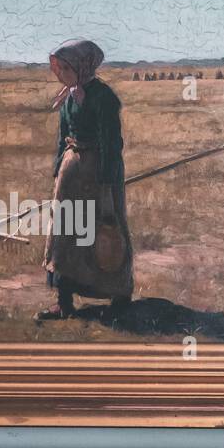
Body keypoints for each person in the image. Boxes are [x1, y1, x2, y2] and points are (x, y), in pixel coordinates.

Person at [37, 39, 134, 320]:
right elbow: (62, 136)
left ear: (82, 66)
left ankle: (118, 293)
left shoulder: (103, 97)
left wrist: (106, 182)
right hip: (72, 176)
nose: (62, 74)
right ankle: (64, 300)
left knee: (105, 230)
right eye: (61, 68)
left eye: (67, 68)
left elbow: (112, 143)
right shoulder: (68, 97)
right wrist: (59, 168)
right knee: (66, 237)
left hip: (98, 175)